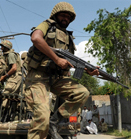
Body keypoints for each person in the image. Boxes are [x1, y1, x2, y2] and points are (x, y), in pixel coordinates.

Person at [23, 2, 100, 139]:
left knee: (82, 93)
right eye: (62, 15)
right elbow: (35, 38)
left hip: (57, 78)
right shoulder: (47, 25)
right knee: (41, 117)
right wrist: (56, 59)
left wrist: (89, 70)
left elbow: (71, 61)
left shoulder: (68, 37)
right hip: (38, 77)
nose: (65, 18)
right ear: (55, 15)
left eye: (68, 17)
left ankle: (54, 121)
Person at [0, 40, 22, 121]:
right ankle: (7, 118)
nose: (1, 48)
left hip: (14, 78)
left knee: (5, 96)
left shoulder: (11, 55)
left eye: (2, 46)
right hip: (14, 78)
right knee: (10, 99)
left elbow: (14, 68)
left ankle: (2, 119)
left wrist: (4, 76)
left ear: (6, 47)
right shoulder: (7, 55)